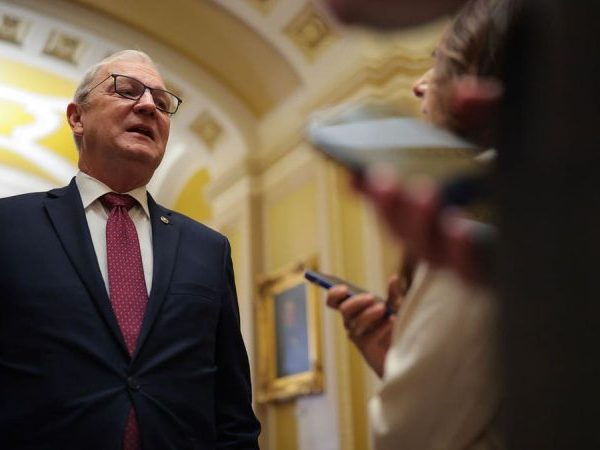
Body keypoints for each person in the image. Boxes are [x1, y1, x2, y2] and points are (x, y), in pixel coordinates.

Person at [0, 50, 260, 450]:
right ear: (77, 117)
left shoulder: (208, 248)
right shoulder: (10, 226)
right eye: (127, 90)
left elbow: (232, 406)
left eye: (162, 102)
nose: (148, 106)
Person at [326, 0, 512, 448]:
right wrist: (403, 362)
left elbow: (404, 437)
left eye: (440, 64)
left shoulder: (475, 211)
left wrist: (404, 390)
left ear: (479, 86)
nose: (419, 84)